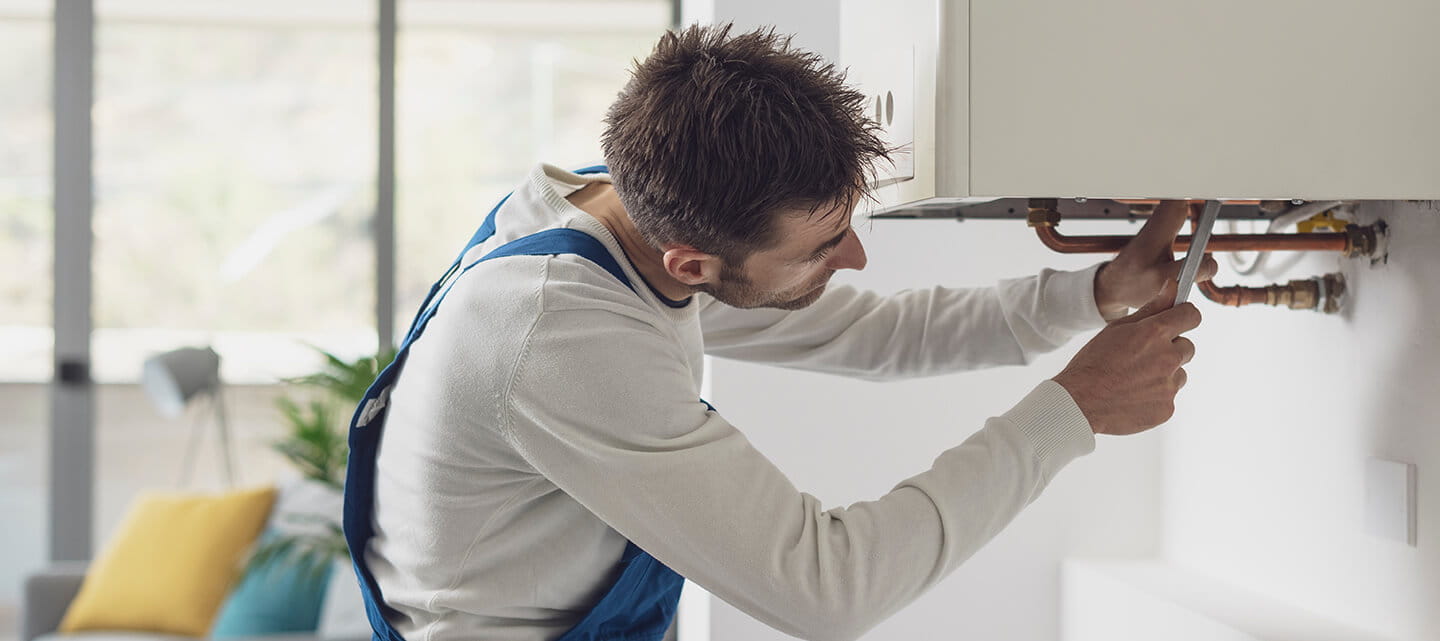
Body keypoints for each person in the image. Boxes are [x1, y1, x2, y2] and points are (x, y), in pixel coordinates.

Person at [343, 23, 1216, 641]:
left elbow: (875, 335)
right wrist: (1075, 408)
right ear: (692, 265)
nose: (859, 257)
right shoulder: (561, 337)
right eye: (824, 246)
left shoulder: (622, 208)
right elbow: (829, 590)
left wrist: (1096, 293)